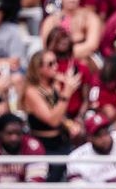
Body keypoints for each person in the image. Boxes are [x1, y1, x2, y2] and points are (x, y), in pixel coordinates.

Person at [22, 49, 82, 181]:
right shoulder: (32, 92)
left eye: (56, 62)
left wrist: (69, 124)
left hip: (61, 140)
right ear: (38, 68)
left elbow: (59, 114)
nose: (55, 66)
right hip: (44, 145)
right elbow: (52, 120)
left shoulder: (54, 86)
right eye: (50, 64)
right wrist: (67, 92)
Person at [37, 0, 102, 64]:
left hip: (85, 58)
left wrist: (66, 53)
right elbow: (46, 45)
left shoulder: (90, 17)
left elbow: (92, 44)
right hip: (56, 60)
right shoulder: (51, 20)